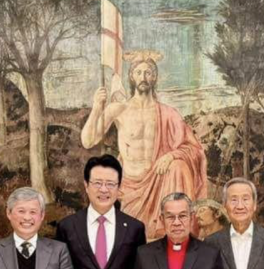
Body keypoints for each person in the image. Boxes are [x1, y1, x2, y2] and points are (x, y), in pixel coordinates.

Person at [81, 51, 208, 239]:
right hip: (130, 186)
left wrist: (171, 155)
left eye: (148, 73)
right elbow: (88, 140)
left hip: (159, 182)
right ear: (132, 76)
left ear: (154, 77)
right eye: (139, 73)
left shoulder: (168, 113)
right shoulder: (120, 109)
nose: (143, 77)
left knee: (178, 166)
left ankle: (178, 236)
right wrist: (96, 108)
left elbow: (193, 148)